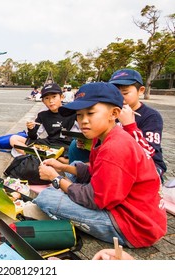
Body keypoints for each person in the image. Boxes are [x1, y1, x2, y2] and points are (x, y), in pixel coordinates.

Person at [33, 82, 167, 248]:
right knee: (75, 164)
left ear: (114, 113)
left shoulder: (115, 147)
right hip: (127, 206)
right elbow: (94, 170)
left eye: (90, 113)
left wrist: (56, 178)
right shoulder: (104, 135)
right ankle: (66, 189)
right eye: (80, 115)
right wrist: (63, 167)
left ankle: (62, 197)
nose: (83, 121)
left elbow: (94, 199)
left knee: (47, 198)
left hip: (134, 226)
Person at [109, 68, 167, 181]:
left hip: (150, 165)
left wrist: (129, 126)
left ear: (141, 90)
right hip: (118, 161)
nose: (120, 97)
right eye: (115, 93)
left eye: (125, 93)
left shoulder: (151, 116)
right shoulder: (113, 112)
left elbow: (149, 152)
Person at [9, 83, 76, 163]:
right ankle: (44, 157)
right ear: (43, 101)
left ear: (61, 97)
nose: (51, 101)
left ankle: (40, 157)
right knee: (14, 139)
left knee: (71, 158)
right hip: (48, 144)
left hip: (65, 146)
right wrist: (31, 129)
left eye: (54, 97)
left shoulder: (72, 113)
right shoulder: (42, 115)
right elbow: (34, 137)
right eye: (46, 98)